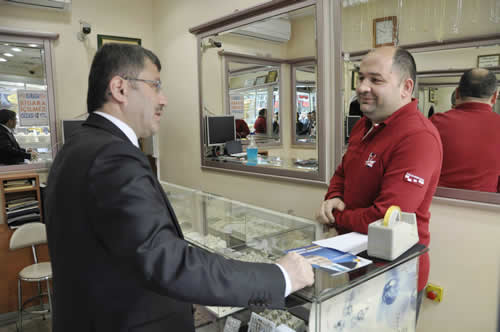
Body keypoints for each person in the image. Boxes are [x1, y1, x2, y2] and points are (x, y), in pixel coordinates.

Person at [44, 44, 314, 332]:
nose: (164, 99)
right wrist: (278, 277)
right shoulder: (113, 157)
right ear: (120, 89)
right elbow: (167, 262)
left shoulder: (76, 145)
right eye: (155, 86)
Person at [316, 46, 442, 320]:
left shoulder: (418, 138)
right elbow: (342, 172)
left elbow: (386, 218)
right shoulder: (364, 125)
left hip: (394, 274)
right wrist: (333, 196)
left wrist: (338, 216)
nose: (362, 87)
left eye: (375, 80)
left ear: (405, 87)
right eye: (361, 78)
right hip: (356, 261)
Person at [430, 68, 499, 192]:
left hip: (437, 203)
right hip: (487, 207)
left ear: (457, 93)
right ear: (494, 97)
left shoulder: (434, 123)